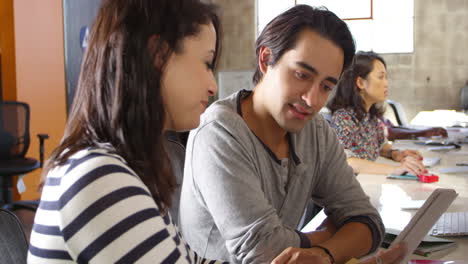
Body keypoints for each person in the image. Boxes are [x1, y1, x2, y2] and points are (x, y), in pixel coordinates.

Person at [180, 5, 390, 264]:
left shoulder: (315, 132)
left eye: (326, 86)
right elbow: (264, 251)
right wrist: (331, 234)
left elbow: (368, 221)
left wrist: (325, 254)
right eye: (302, 75)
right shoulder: (219, 133)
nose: (312, 100)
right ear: (266, 60)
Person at [27, 0, 226, 263]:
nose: (213, 86)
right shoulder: (100, 177)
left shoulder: (126, 170)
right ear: (158, 55)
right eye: (206, 63)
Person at [328, 51, 426, 175]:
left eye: (386, 77)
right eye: (381, 77)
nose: (386, 83)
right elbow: (348, 161)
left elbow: (380, 147)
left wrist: (396, 154)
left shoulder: (371, 118)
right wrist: (395, 170)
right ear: (360, 83)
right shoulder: (343, 118)